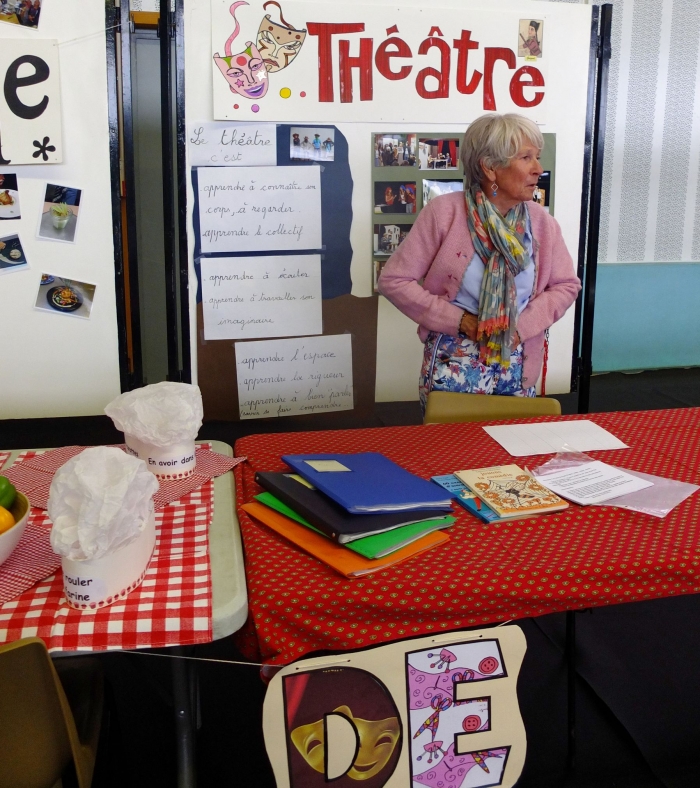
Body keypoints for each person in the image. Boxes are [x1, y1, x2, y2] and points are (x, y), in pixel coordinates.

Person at [378, 113, 580, 412]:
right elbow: (393, 281)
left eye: (537, 157)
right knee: (454, 441)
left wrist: (520, 328)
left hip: (518, 360)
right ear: (490, 167)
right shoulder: (444, 213)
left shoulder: (541, 223)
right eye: (526, 158)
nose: (538, 169)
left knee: (514, 439)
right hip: (454, 362)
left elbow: (565, 286)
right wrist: (462, 322)